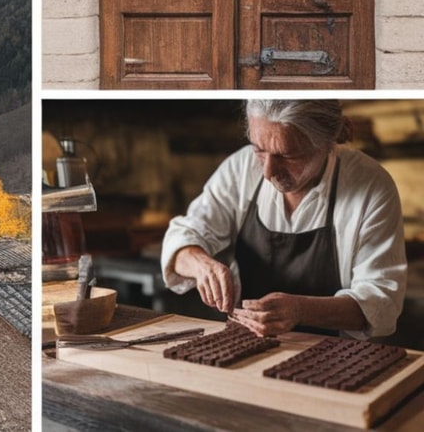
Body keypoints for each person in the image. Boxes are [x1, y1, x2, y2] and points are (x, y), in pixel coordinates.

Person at [161, 100, 406, 338]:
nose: (268, 172)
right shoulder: (242, 168)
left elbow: (380, 302)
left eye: (287, 155)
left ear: (327, 143)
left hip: (337, 357)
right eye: (259, 150)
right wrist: (201, 265)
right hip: (246, 345)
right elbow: (185, 235)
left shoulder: (371, 186)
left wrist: (301, 311)